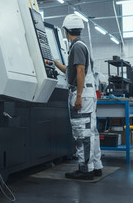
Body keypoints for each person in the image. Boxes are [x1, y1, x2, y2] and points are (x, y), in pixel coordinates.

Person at [53, 14, 103, 180]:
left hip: (82, 93)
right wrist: (52, 62)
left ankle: (85, 170)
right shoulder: (81, 46)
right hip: (88, 93)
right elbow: (71, 71)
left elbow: (80, 71)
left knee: (82, 133)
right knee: (91, 132)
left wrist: (78, 96)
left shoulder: (77, 47)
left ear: (66, 31)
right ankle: (96, 166)